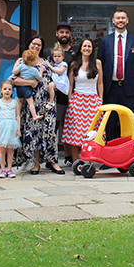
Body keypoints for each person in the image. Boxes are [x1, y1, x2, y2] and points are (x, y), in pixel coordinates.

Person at [11, 36, 65, 175]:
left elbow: (56, 77)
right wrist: (30, 83)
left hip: (48, 103)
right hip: (31, 104)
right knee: (34, 132)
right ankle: (36, 164)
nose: (36, 46)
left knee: (50, 132)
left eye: (39, 45)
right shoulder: (21, 62)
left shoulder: (46, 62)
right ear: (29, 44)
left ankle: (53, 162)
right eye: (34, 43)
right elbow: (12, 80)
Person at [96, 10, 134, 144]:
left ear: (127, 20)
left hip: (128, 89)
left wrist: (132, 77)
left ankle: (128, 156)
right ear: (113, 21)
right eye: (118, 18)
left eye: (123, 18)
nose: (120, 20)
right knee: (110, 122)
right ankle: (110, 156)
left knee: (129, 123)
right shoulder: (105, 41)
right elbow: (99, 62)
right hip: (110, 88)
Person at [62, 38, 104, 165]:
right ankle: (76, 163)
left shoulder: (97, 63)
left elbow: (100, 83)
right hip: (77, 101)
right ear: (80, 48)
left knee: (91, 134)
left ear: (92, 49)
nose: (86, 48)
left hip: (93, 101)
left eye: (89, 46)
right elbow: (70, 84)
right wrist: (70, 101)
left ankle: (90, 162)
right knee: (76, 133)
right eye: (84, 46)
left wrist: (100, 100)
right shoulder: (74, 64)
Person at [42, 22, 75, 163]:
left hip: (70, 95)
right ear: (57, 34)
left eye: (67, 32)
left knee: (69, 127)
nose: (64, 35)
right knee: (53, 126)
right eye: (61, 32)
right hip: (53, 96)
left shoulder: (75, 52)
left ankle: (69, 157)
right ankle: (51, 157)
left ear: (70, 35)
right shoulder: (48, 52)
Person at [0, 80, 21, 178]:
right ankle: (3, 169)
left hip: (12, 127)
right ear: (1, 91)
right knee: (2, 149)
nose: (7, 91)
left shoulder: (15, 103)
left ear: (12, 91)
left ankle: (10, 169)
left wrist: (18, 129)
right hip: (2, 127)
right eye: (5, 89)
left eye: (9, 89)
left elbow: (18, 116)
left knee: (10, 149)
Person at [14, 49, 44, 121]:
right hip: (27, 88)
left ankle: (17, 115)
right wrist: (41, 71)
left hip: (19, 88)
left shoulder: (22, 66)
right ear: (32, 60)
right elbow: (39, 78)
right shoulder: (34, 70)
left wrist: (16, 65)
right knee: (31, 102)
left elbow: (14, 72)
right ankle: (34, 115)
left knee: (20, 100)